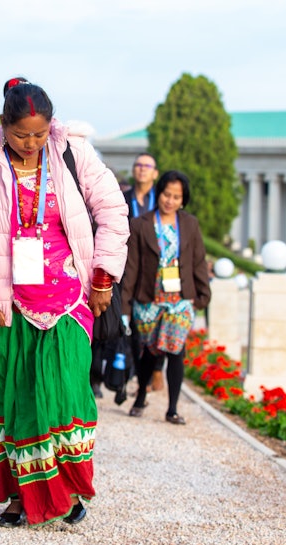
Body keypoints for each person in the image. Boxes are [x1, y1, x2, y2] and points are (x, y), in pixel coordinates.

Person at [0, 77, 129, 527]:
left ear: (51, 127)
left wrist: (103, 276)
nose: (30, 143)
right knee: (9, 399)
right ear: (3, 125)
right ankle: (18, 497)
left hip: (66, 300)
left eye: (39, 134)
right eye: (21, 134)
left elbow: (112, 211)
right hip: (4, 306)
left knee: (64, 396)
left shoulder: (71, 152)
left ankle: (66, 491)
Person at [121, 170, 211, 426]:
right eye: (166, 194)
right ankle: (140, 395)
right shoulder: (141, 224)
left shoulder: (190, 224)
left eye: (176, 196)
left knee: (175, 350)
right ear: (158, 194)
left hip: (180, 300)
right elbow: (132, 268)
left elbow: (198, 261)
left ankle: (172, 409)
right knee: (150, 351)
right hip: (148, 299)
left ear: (183, 200)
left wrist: (202, 295)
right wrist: (126, 308)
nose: (170, 200)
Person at [121, 152, 165, 393]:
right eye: (138, 164)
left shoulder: (161, 200)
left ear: (155, 173)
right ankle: (134, 372)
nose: (142, 169)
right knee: (131, 319)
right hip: (127, 264)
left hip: (153, 267)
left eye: (147, 165)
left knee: (156, 320)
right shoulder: (123, 198)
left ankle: (156, 368)